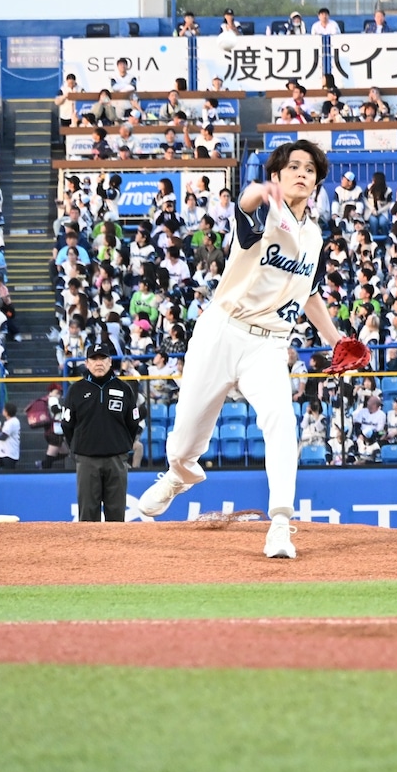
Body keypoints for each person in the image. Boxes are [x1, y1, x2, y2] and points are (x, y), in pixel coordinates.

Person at [136, 139, 345, 560]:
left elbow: (310, 293)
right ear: (278, 177)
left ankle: (281, 524)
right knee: (183, 442)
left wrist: (335, 338)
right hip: (222, 331)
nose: (302, 173)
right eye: (293, 167)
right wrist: (259, 192)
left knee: (282, 420)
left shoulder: (315, 236)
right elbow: (246, 207)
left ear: (318, 181)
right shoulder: (266, 213)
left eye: (310, 169)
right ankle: (179, 474)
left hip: (268, 344)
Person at [62, 342, 142, 521]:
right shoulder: (76, 390)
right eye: (94, 359)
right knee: (88, 514)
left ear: (110, 361)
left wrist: (122, 447)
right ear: (87, 363)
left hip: (116, 459)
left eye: (103, 358)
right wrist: (79, 448)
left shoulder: (124, 389)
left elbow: (133, 423)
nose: (99, 363)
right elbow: (67, 425)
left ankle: (116, 550)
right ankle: (89, 550)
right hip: (87, 459)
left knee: (116, 514)